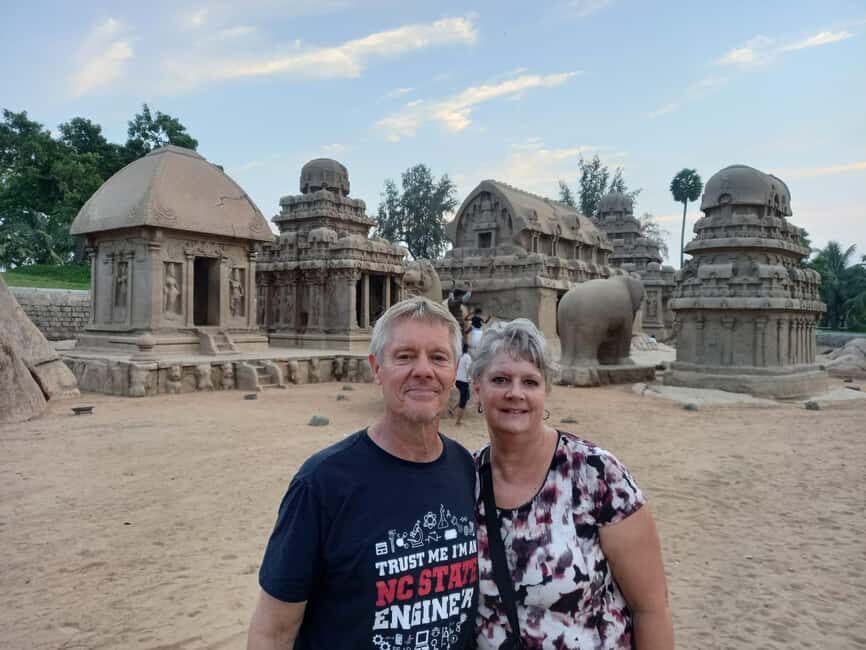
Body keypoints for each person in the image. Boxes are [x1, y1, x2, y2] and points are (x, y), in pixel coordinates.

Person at [248, 296, 479, 650]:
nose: (423, 370)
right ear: (376, 368)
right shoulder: (323, 483)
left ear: (455, 370)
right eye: (404, 356)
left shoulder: (466, 468)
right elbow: (273, 631)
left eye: (438, 357)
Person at [470, 319, 673, 649]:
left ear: (546, 391)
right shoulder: (466, 478)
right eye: (501, 379)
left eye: (530, 382)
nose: (515, 393)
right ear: (477, 386)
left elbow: (651, 608)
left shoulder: (596, 474)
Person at [454, 343, 473, 425]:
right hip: (463, 381)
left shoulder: (460, 356)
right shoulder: (467, 357)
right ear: (467, 349)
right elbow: (469, 368)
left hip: (458, 380)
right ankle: (458, 421)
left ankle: (453, 409)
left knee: (467, 397)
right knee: (463, 401)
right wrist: (469, 379)